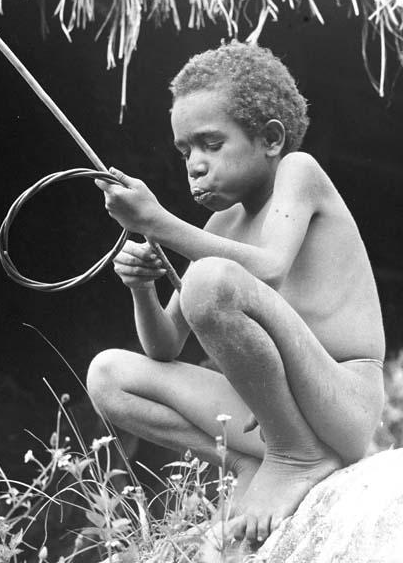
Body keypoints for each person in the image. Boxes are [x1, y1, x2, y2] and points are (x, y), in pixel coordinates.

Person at [88, 41, 385, 544]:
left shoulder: (299, 171)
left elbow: (268, 269)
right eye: (185, 151)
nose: (195, 164)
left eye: (211, 144)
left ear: (270, 138)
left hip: (340, 399)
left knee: (209, 278)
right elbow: (164, 347)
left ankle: (298, 456)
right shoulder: (220, 223)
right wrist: (143, 288)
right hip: (270, 414)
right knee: (108, 376)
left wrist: (159, 222)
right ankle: (258, 461)